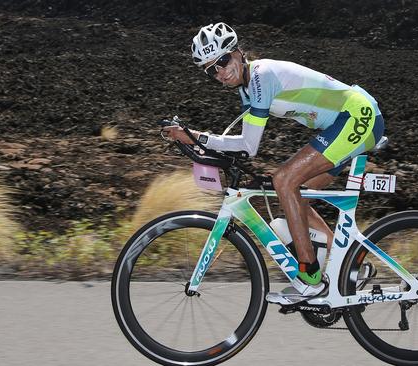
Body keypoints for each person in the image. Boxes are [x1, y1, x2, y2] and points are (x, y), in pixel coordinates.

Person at [164, 22, 385, 304]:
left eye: (222, 60)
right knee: (294, 193)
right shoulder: (247, 90)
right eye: (211, 69)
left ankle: (310, 277)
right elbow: (244, 143)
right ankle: (353, 264)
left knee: (284, 181)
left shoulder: (260, 77)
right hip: (344, 123)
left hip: (357, 116)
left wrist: (194, 137)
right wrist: (196, 140)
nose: (220, 71)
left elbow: (248, 146)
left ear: (238, 53)